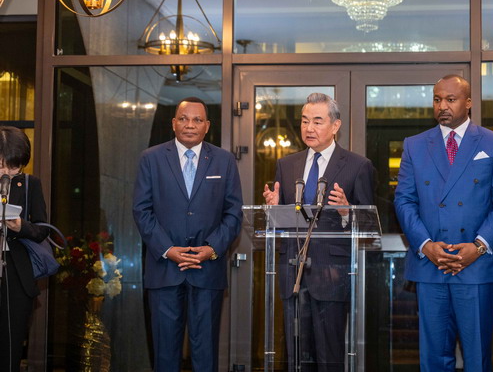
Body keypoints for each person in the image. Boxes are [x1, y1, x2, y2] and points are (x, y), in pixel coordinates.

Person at [394, 75, 493, 372]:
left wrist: (478, 246)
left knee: (477, 357)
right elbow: (404, 200)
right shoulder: (414, 145)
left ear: (469, 102)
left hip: (476, 267)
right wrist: (426, 245)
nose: (442, 106)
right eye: (437, 99)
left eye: (450, 99)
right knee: (433, 359)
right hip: (430, 265)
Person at [263, 92, 375, 371]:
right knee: (296, 355)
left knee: (329, 355)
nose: (308, 128)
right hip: (293, 272)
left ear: (335, 126)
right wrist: (274, 209)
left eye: (317, 121)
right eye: (304, 121)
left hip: (333, 274)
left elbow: (370, 228)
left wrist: (349, 211)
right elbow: (283, 223)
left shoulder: (357, 165)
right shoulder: (286, 165)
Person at [132, 97, 243, 372]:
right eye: (183, 119)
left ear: (207, 126)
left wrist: (211, 249)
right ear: (173, 123)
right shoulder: (151, 158)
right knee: (165, 355)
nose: (189, 125)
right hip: (164, 270)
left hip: (208, 271)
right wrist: (168, 250)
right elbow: (141, 210)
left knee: (205, 355)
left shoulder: (224, 160)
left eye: (196, 120)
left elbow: (233, 213)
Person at [0, 126, 49, 372]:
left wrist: (21, 226)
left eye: (14, 166)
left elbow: (43, 229)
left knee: (12, 340)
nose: (8, 172)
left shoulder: (30, 184)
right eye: (2, 165)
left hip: (15, 274)